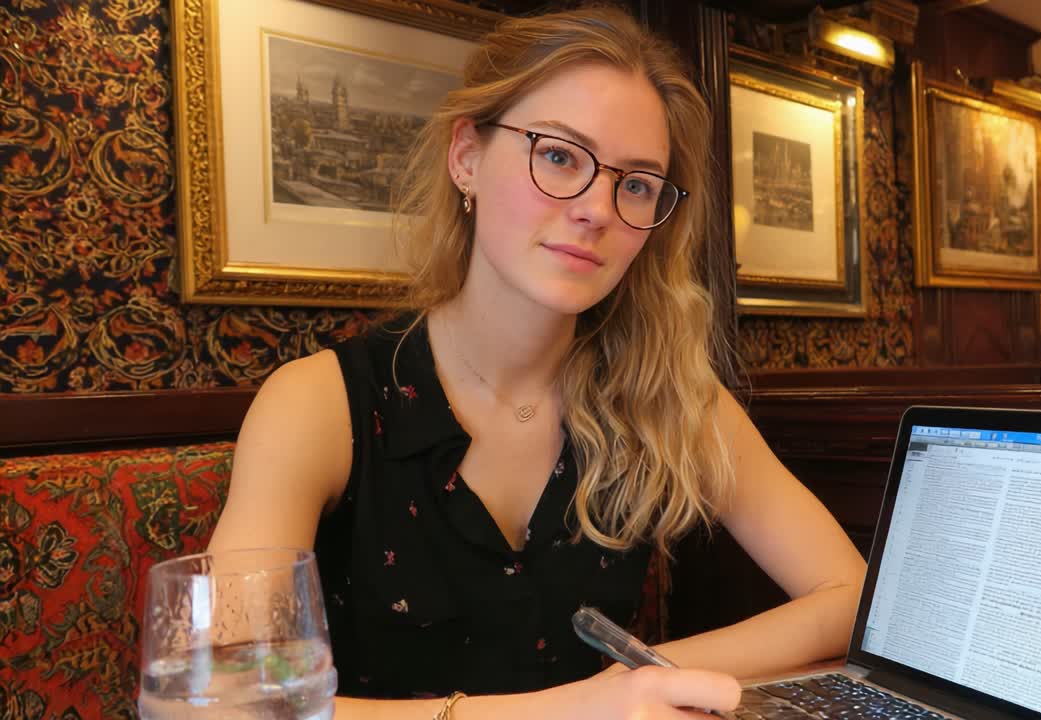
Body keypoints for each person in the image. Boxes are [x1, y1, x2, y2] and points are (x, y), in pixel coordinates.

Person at [208, 6, 866, 719]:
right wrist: (571, 711)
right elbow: (222, 705)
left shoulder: (665, 395)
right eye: (558, 155)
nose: (597, 208)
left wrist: (643, 683)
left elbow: (850, 594)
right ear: (467, 157)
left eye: (637, 182)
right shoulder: (317, 403)